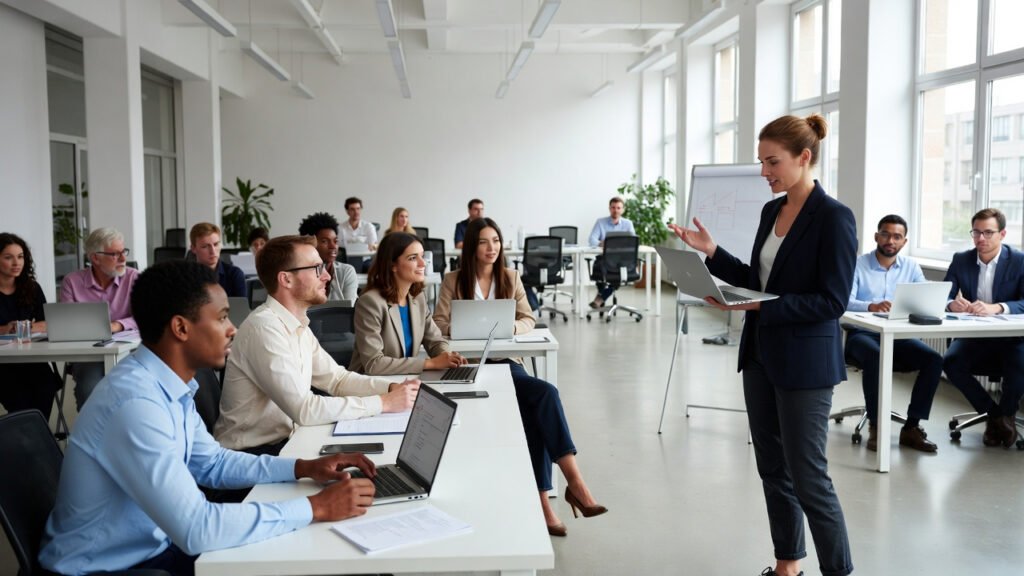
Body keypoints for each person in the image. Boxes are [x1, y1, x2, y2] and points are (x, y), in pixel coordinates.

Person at [38, 260, 377, 576]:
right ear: (181, 328)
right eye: (222, 318)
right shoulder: (135, 404)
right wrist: (315, 507)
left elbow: (211, 463)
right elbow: (196, 528)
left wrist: (301, 467)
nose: (232, 329)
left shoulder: (165, 384)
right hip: (107, 568)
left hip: (156, 546)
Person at [670, 114, 855, 576]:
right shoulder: (771, 211)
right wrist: (712, 253)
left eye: (772, 162)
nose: (764, 172)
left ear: (804, 158)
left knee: (809, 477)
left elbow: (832, 301)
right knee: (773, 468)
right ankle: (787, 565)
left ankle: (839, 571)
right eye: (761, 161)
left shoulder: (834, 218)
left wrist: (762, 309)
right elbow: (758, 282)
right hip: (759, 356)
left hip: (805, 364)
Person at [434, 217, 606, 537]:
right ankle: (559, 493)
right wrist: (464, 328)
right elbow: (439, 324)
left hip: (507, 362)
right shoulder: (453, 280)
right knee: (541, 399)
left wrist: (510, 327)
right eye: (484, 242)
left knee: (543, 395)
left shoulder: (510, 278)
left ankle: (565, 487)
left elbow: (528, 318)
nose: (492, 248)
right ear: (472, 246)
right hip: (469, 365)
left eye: (496, 241)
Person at [215, 235, 420, 456]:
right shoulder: (264, 328)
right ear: (286, 279)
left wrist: (390, 389)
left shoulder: (297, 325)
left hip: (286, 442)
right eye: (316, 268)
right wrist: (383, 403)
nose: (326, 275)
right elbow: (304, 409)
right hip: (250, 457)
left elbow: (337, 380)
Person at [846, 214, 942, 453]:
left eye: (897, 236)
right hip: (863, 335)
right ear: (876, 236)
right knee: (876, 356)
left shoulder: (910, 267)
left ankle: (911, 427)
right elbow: (845, 301)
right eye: (886, 234)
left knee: (934, 359)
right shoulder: (858, 264)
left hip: (899, 337)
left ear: (904, 241)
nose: (891, 240)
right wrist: (871, 305)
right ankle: (877, 426)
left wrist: (946, 303)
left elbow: (924, 296)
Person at [942, 207, 1024, 448]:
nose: (981, 239)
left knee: (1020, 361)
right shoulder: (961, 259)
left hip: (1011, 339)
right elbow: (943, 295)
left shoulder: (1019, 261)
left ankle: (1005, 414)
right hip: (974, 336)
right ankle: (995, 417)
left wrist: (997, 307)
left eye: (988, 233)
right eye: (976, 232)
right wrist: (952, 304)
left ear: (1003, 234)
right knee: (951, 362)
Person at [349, 232, 465, 375]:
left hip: (403, 382)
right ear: (393, 265)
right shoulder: (370, 303)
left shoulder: (417, 298)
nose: (423, 263)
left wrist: (447, 356)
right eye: (413, 258)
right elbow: (374, 364)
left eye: (422, 256)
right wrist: (430, 363)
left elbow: (435, 340)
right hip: (371, 386)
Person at [60, 227, 140, 409]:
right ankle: (92, 436)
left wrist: (118, 325)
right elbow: (67, 324)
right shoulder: (72, 282)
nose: (123, 259)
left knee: (132, 392)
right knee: (89, 390)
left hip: (130, 352)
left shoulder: (134, 278)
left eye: (123, 252)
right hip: (88, 354)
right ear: (95, 258)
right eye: (115, 254)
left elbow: (145, 317)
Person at [0, 233, 60, 418]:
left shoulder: (31, 287)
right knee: (21, 401)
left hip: (30, 358)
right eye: (8, 257)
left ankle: (35, 441)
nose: (16, 263)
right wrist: (5, 328)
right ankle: (27, 441)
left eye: (20, 257)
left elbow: (47, 322)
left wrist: (27, 327)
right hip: (3, 363)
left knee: (46, 386)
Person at [587, 196, 636, 309]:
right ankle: (602, 295)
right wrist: (601, 243)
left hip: (622, 260)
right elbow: (592, 239)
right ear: (609, 208)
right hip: (604, 259)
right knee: (600, 271)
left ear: (622, 209)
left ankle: (600, 298)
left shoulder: (628, 224)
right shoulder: (600, 222)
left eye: (618, 208)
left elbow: (633, 241)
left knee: (616, 272)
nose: (616, 210)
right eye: (613, 207)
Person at [298, 212, 358, 302]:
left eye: (335, 241)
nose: (333, 246)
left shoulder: (346, 272)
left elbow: (349, 311)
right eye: (325, 241)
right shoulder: (300, 273)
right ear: (309, 244)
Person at [190, 222, 246, 297]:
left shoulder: (234, 275)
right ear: (193, 248)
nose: (213, 251)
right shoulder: (185, 277)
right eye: (205, 246)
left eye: (216, 244)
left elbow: (241, 307)